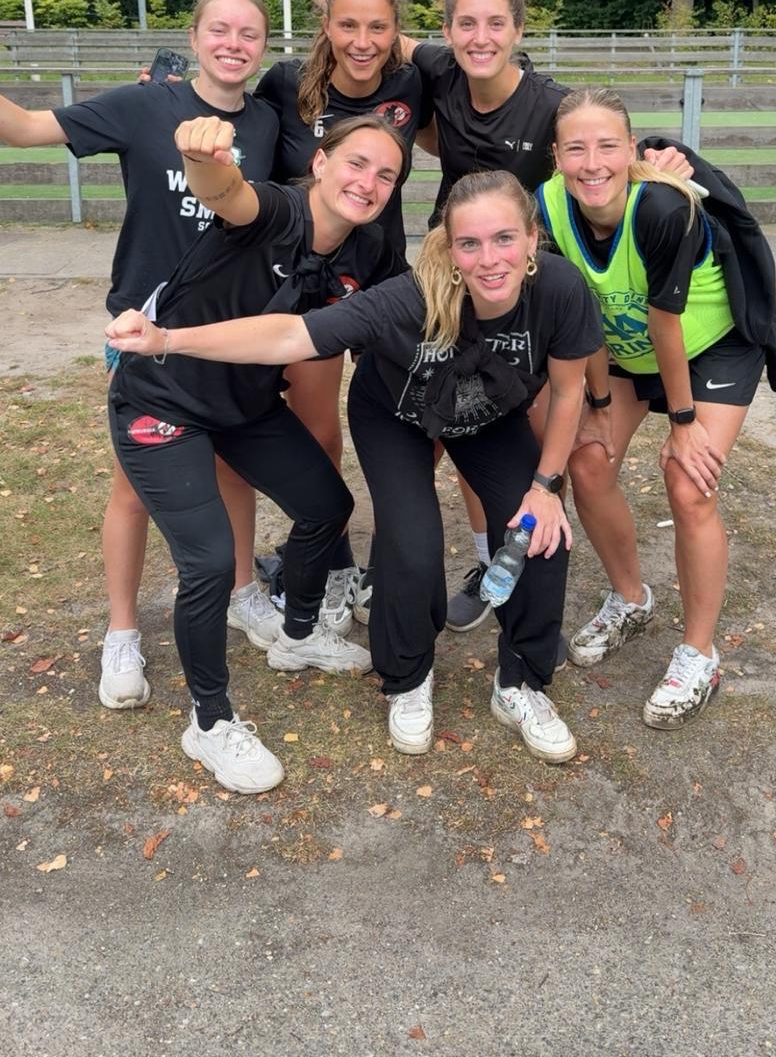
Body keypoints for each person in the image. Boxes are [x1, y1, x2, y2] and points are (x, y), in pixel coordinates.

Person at [263, 0, 689, 637]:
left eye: (495, 24)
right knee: (433, 424)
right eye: (466, 24)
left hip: (514, 283)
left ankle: (550, 573)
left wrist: (662, 158)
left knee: (518, 438)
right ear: (447, 29)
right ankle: (426, 561)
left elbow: (596, 151)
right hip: (442, 272)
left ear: (519, 30)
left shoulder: (549, 106)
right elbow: (363, 20)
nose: (480, 38)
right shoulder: (436, 68)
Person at [111, 170, 605, 765]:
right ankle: (409, 676)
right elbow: (289, 336)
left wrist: (546, 486)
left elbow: (569, 388)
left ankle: (520, 682)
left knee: (542, 538)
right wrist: (169, 337)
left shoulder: (559, 288)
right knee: (412, 541)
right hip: (396, 413)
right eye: (470, 244)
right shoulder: (410, 297)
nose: (489, 259)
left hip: (489, 415)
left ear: (531, 239)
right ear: (450, 248)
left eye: (504, 239)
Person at [104, 113, 411, 794]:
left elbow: (413, 310)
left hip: (247, 407)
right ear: (323, 162)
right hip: (162, 398)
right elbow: (225, 191)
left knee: (328, 505)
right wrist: (202, 156)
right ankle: (209, 723)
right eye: (357, 163)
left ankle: (297, 635)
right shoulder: (276, 208)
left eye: (386, 175)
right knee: (210, 561)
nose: (369, 182)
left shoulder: (371, 253)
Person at [0, 0, 280, 709]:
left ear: (264, 45)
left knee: (232, 467)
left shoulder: (269, 124)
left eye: (249, 33)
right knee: (135, 487)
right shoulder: (142, 106)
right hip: (144, 331)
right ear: (193, 38)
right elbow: (28, 128)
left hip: (226, 333)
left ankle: (243, 592)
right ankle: (121, 631)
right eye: (219, 29)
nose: (233, 43)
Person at [537, 87, 776, 728]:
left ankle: (699, 653)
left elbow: (665, 321)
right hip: (623, 350)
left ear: (632, 149)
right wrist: (594, 402)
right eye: (576, 148)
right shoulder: (548, 209)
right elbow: (578, 316)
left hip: (707, 347)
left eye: (608, 146)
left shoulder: (664, 206)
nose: (593, 163)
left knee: (688, 481)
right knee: (588, 460)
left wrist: (682, 423)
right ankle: (631, 599)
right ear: (556, 155)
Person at [255, 0, 433, 633]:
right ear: (325, 26)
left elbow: (485, 77)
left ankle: (391, 563)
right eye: (349, 24)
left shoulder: (411, 85)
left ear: (395, 32)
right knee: (319, 430)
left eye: (379, 27)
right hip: (313, 282)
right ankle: (329, 564)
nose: (363, 41)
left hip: (387, 276)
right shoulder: (282, 86)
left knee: (405, 419)